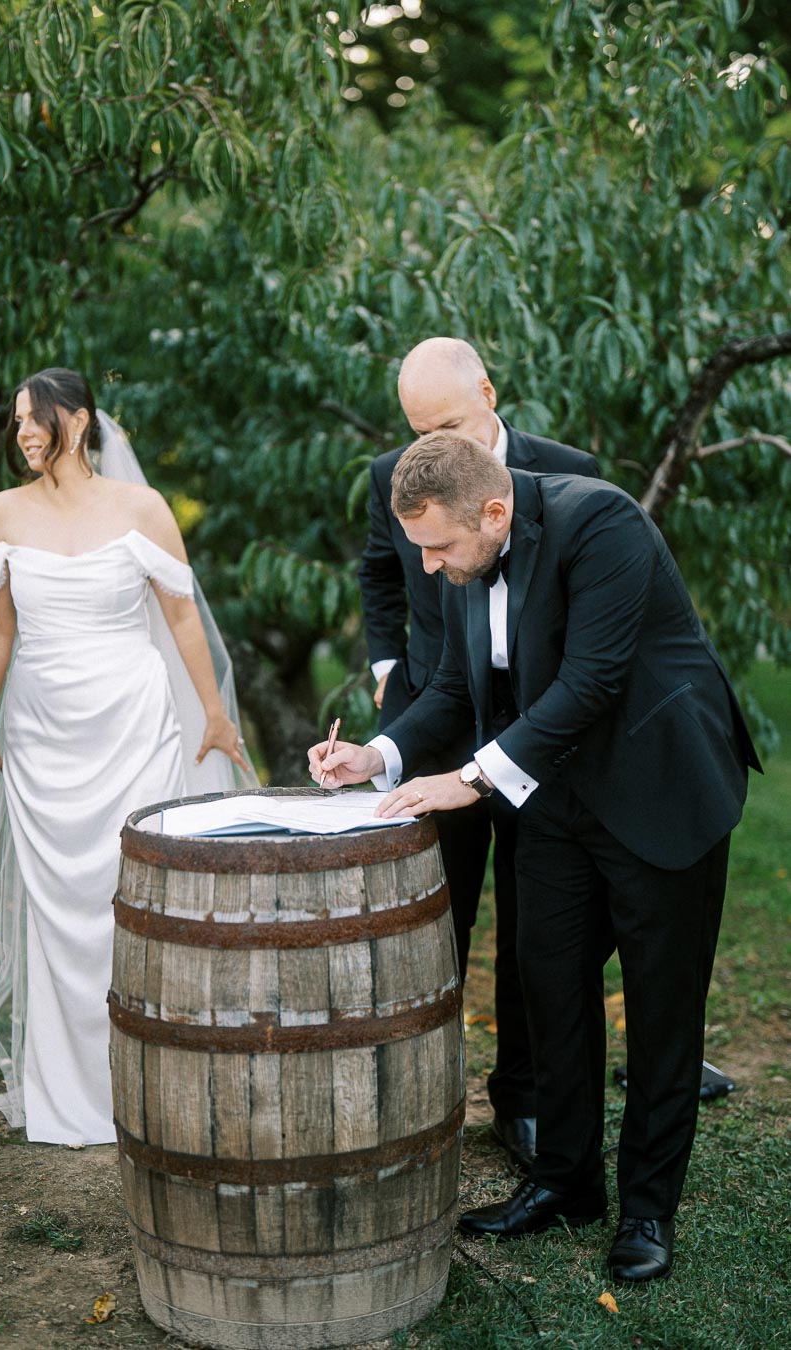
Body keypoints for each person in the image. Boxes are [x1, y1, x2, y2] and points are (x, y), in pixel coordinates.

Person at [312, 431, 760, 1282]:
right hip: (553, 797)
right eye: (421, 550)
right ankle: (566, 1183)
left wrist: (470, 781)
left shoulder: (605, 523)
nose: (432, 567)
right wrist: (378, 757)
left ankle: (648, 1212)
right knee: (547, 985)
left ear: (494, 510)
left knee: (662, 1009)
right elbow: (451, 685)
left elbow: (589, 682)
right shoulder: (463, 561)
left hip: (661, 785)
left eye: (440, 547)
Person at [0, 368, 257, 1147]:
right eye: (18, 422)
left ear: (81, 421)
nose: (24, 432)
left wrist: (214, 712)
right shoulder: (1, 514)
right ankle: (68, 1090)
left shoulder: (142, 508)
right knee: (59, 908)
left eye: (38, 420)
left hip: (133, 722)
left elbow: (181, 617)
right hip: (39, 732)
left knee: (134, 895)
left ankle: (157, 1075)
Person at [358, 336, 599, 1173]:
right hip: (439, 716)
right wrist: (391, 670)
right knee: (436, 911)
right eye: (419, 429)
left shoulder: (570, 471)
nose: (435, 447)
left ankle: (525, 1099)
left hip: (542, 731)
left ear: (490, 394)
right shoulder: (394, 474)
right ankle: (422, 1093)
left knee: (539, 920)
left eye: (450, 424)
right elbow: (380, 573)